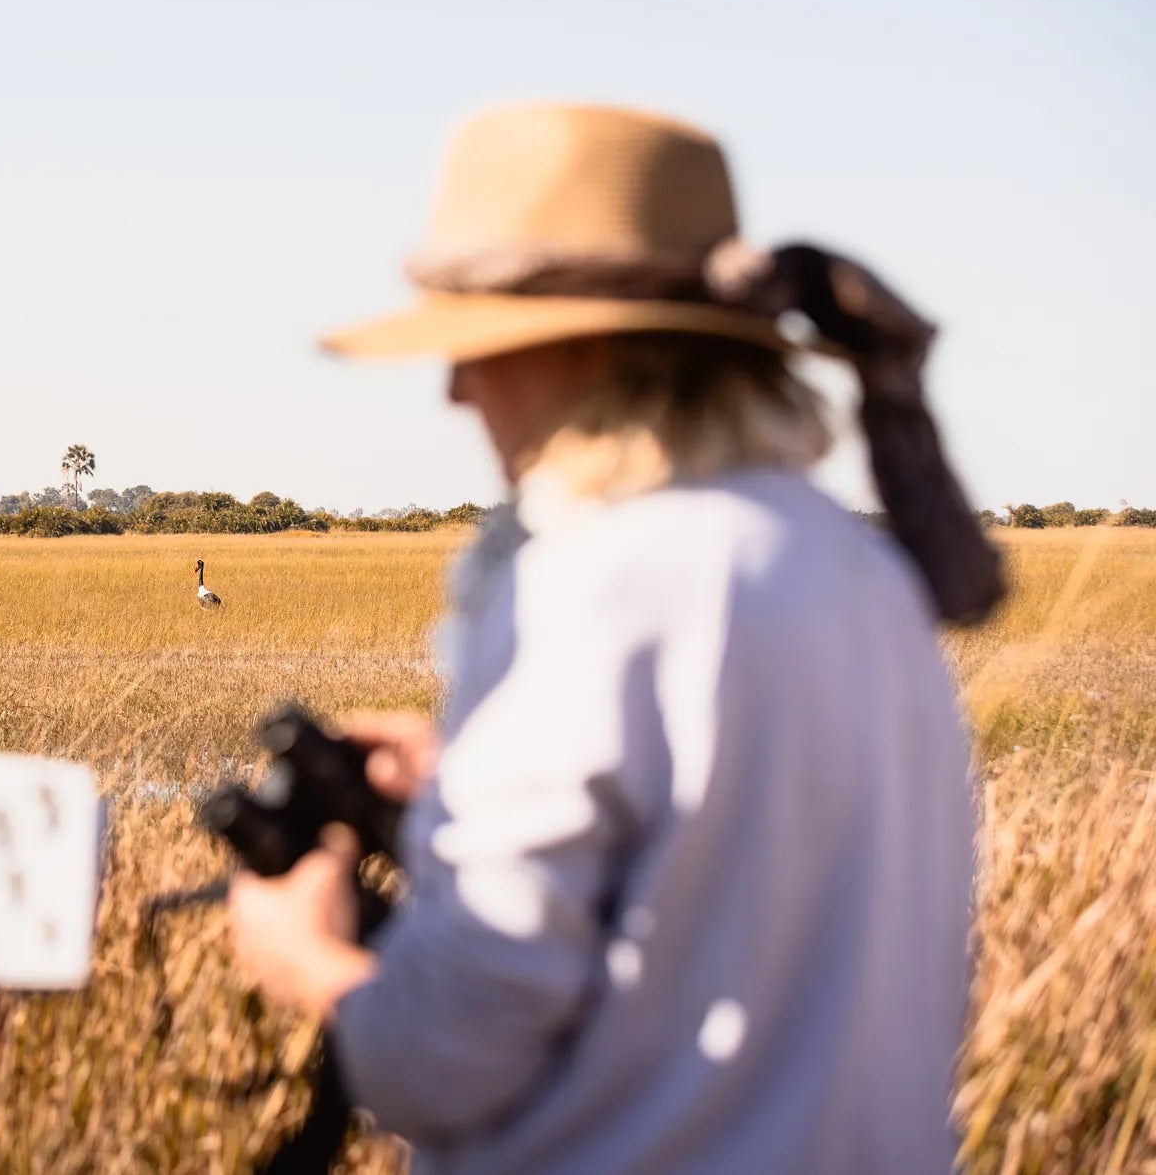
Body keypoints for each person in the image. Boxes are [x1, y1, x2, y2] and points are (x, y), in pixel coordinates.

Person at [226, 103, 1000, 1173]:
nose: (454, 391)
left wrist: (305, 958)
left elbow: (438, 1060)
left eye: (477, 349)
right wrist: (466, 784)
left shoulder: (586, 580)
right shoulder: (858, 570)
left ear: (585, 345)